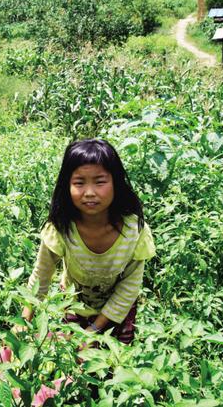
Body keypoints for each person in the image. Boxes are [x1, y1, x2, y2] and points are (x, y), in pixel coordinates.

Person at [20, 139, 156, 344]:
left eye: (100, 182)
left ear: (115, 183)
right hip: (74, 304)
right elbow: (41, 276)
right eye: (79, 183)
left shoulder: (134, 231)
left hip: (116, 311)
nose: (90, 192)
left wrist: (93, 332)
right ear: (67, 185)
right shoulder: (61, 227)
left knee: (112, 369)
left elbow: (129, 288)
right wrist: (22, 323)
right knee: (69, 364)